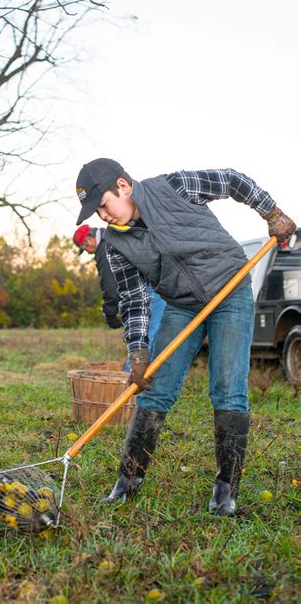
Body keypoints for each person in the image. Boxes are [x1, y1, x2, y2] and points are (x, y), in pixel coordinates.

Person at [75, 159, 296, 515]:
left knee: (228, 388)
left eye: (103, 204)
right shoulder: (115, 245)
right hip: (181, 306)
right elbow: (134, 300)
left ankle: (225, 491)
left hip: (230, 291)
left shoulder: (173, 186)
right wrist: (137, 352)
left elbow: (231, 180)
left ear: (123, 185)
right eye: (95, 211)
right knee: (155, 389)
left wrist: (270, 211)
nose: (101, 215)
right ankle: (128, 481)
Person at [73, 224, 166, 347]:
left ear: (89, 240)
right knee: (149, 333)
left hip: (151, 286)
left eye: (85, 249)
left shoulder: (104, 248)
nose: (88, 252)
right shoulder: (112, 235)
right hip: (152, 282)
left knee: (146, 336)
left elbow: (111, 286)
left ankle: (133, 366)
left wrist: (110, 313)